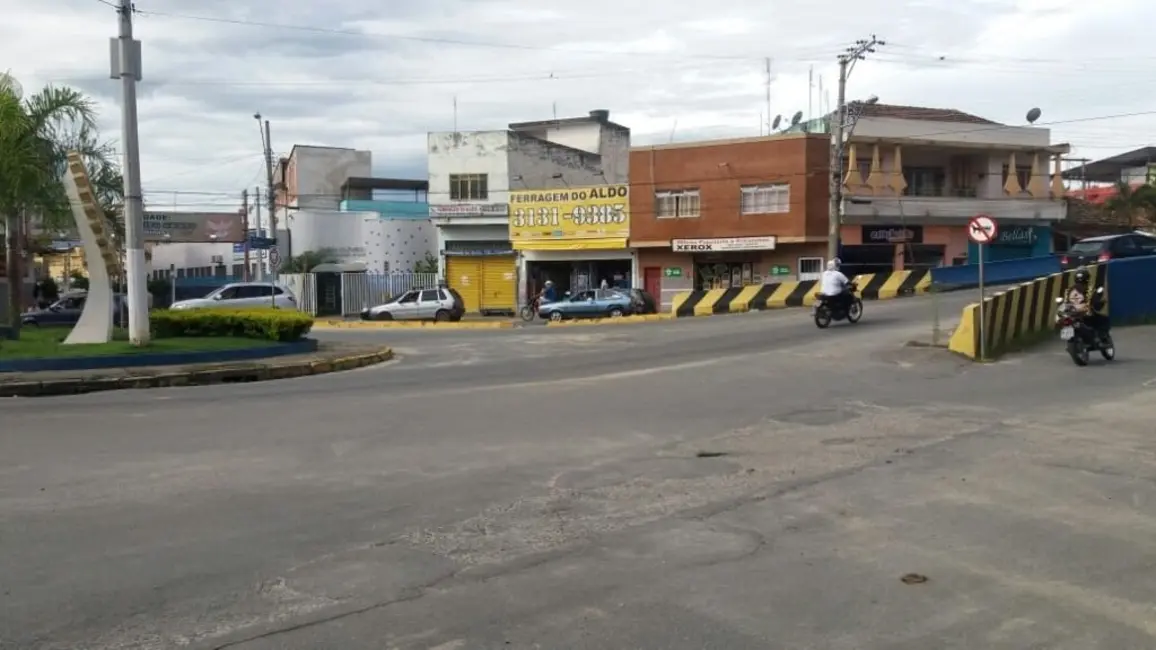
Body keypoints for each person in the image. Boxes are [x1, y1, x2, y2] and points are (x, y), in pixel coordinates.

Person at [1067, 267, 1109, 341]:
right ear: (1087, 277)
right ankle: (1102, 336)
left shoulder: (1069, 290)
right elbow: (1094, 301)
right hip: (1085, 314)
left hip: (1072, 314)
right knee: (1104, 319)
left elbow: (1065, 302)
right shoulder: (1089, 289)